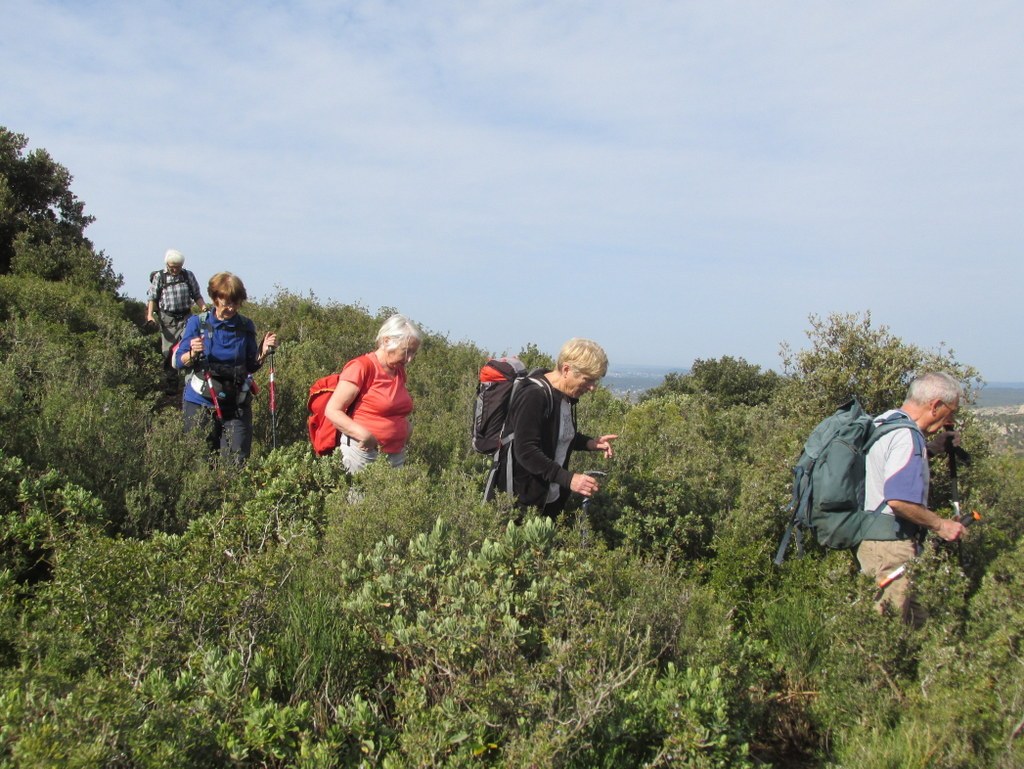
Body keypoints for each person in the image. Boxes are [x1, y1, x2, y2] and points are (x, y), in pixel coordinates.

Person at [857, 371, 967, 625]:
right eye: (951, 412)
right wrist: (941, 525)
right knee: (886, 632)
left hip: (875, 541)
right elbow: (898, 500)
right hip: (892, 548)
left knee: (914, 623)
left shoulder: (885, 422)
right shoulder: (906, 437)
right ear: (936, 405)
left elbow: (888, 471)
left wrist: (931, 450)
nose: (950, 419)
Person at [492, 338, 618, 516]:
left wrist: (590, 443)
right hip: (522, 501)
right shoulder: (534, 396)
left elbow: (555, 434)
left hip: (550, 498)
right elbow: (526, 451)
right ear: (566, 369)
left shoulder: (564, 397)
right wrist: (569, 479)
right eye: (587, 380)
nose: (592, 388)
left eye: (594, 381)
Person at [174, 272, 276, 461]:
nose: (231, 308)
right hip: (200, 402)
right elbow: (178, 361)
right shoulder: (198, 323)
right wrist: (193, 353)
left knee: (236, 462)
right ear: (214, 299)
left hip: (236, 402)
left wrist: (263, 351)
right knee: (199, 462)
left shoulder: (245, 326)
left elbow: (251, 365)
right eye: (226, 303)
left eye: (235, 303)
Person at [324, 314, 422, 474]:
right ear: (386, 341)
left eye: (413, 353)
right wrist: (364, 435)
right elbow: (332, 410)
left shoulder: (399, 371)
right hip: (363, 455)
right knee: (360, 498)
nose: (409, 359)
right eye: (406, 351)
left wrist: (406, 429)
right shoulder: (361, 367)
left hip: (395, 455)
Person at [146, 249, 208, 394]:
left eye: (178, 267)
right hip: (168, 319)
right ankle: (171, 384)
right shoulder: (160, 277)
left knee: (190, 347)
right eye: (172, 266)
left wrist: (204, 307)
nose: (175, 269)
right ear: (167, 264)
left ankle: (189, 380)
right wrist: (150, 315)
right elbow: (152, 298)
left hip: (186, 317)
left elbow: (196, 295)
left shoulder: (187, 275)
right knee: (168, 352)